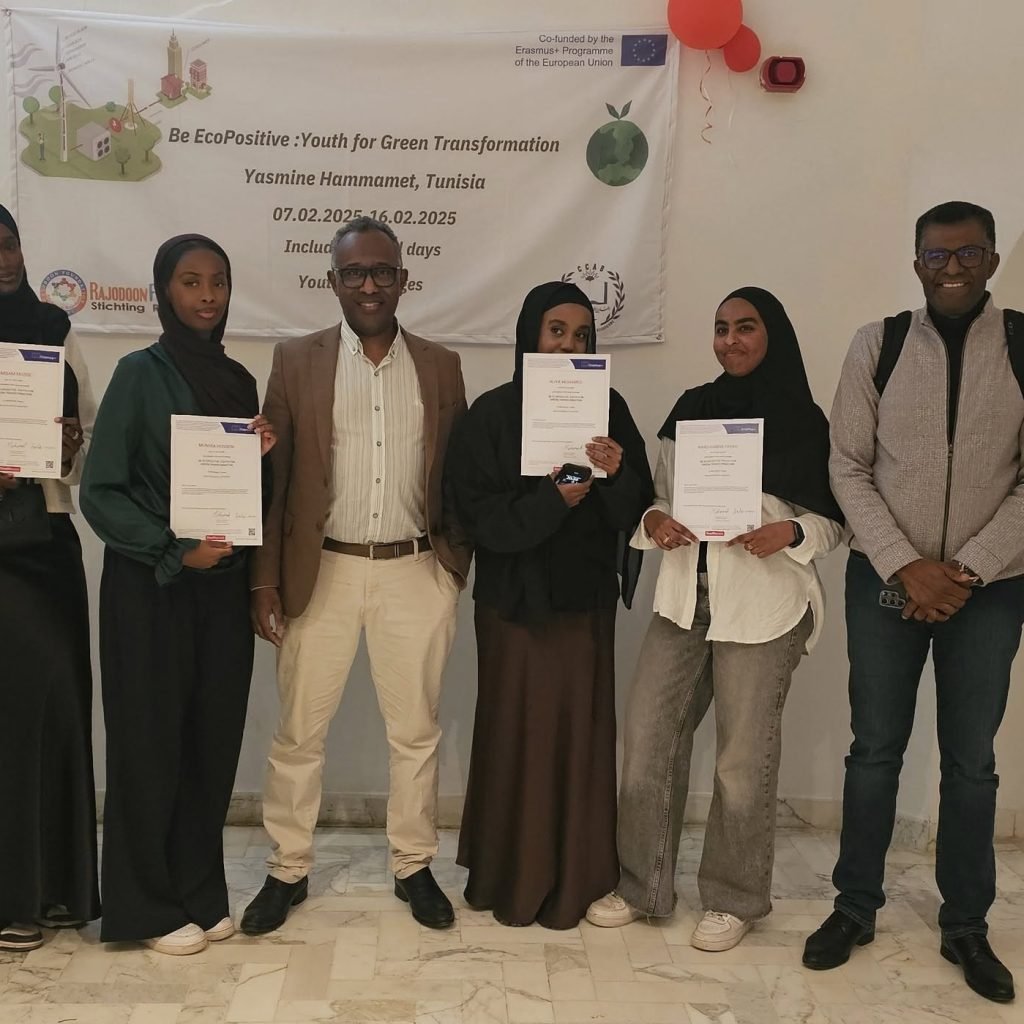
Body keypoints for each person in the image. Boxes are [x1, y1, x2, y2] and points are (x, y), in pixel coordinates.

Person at [804, 201, 1024, 1005]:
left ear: (991, 259)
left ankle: (966, 924)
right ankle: (854, 907)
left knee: (972, 764)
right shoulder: (880, 343)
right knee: (874, 750)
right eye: (937, 255)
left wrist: (964, 570)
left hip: (990, 588)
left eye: (968, 253)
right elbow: (846, 465)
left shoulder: (1022, 345)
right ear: (917, 263)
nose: (952, 268)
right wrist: (906, 566)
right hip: (884, 580)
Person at [587, 287, 843, 951]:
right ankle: (642, 886)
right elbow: (657, 498)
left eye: (746, 327)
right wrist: (653, 519)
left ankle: (734, 898)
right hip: (684, 602)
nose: (731, 340)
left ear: (772, 334)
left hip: (762, 608)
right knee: (648, 742)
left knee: (741, 762)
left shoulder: (804, 421)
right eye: (722, 328)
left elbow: (834, 522)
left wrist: (791, 532)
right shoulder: (691, 409)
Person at [241, 216, 471, 935]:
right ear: (333, 281)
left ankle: (413, 865)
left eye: (382, 271)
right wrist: (264, 579)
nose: (369, 284)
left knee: (416, 732)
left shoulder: (441, 365)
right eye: (354, 272)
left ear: (404, 279)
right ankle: (287, 868)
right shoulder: (295, 360)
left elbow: (458, 473)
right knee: (298, 733)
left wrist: (453, 567)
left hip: (415, 569)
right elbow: (275, 482)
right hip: (322, 571)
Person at [81, 234, 275, 956]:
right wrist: (173, 548)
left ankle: (199, 890)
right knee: (150, 745)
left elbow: (247, 503)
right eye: (190, 282)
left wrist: (260, 455)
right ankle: (144, 907)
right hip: (151, 589)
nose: (207, 296)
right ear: (163, 291)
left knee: (210, 744)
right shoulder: (139, 374)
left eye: (218, 281)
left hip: (218, 594)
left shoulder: (238, 382)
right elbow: (101, 491)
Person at [448, 281, 652, 929]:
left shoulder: (609, 407)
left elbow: (638, 508)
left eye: (581, 335)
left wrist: (616, 473)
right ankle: (512, 874)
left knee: (576, 737)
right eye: (556, 331)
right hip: (514, 606)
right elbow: (477, 515)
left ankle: (576, 876)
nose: (568, 345)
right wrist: (551, 502)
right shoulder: (491, 414)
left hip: (582, 603)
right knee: (516, 734)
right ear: (530, 335)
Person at [0, 204, 99, 951]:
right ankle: (13, 900)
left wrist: (67, 448)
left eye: (8, 244)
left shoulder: (56, 333)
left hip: (43, 539)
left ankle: (56, 886)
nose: (2, 260)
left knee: (56, 705)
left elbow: (87, 444)